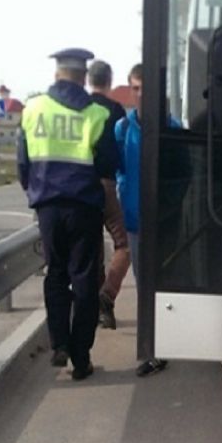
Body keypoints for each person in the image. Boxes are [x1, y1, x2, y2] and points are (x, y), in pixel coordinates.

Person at [18, 48, 118, 381]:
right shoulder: (96, 114)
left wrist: (36, 191)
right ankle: (81, 356)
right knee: (85, 279)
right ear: (83, 76)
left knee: (56, 274)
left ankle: (59, 343)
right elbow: (107, 166)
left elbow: (23, 163)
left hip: (48, 208)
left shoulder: (33, 109)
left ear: (58, 73)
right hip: (84, 208)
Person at [114, 64, 177, 378]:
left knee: (164, 285)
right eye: (135, 88)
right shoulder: (122, 129)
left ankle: (165, 344)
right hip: (136, 222)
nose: (141, 95)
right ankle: (153, 350)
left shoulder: (174, 127)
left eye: (146, 88)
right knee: (144, 286)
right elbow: (117, 170)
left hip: (166, 221)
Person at [86, 59, 131, 330]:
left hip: (79, 187)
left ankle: (94, 308)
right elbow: (120, 149)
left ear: (90, 80)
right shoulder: (115, 110)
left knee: (91, 249)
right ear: (109, 81)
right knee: (123, 245)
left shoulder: (79, 108)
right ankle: (106, 297)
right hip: (106, 185)